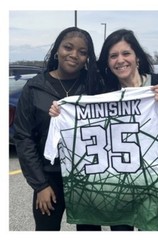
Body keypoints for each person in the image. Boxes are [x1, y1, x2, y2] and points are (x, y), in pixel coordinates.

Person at [47, 29, 158, 231]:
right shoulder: (104, 95)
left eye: (126, 53)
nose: (120, 60)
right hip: (118, 191)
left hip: (153, 188)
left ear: (137, 57)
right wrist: (61, 114)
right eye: (113, 56)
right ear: (107, 62)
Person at [15, 26, 102, 231]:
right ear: (57, 50)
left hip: (87, 178)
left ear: (87, 57)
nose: (74, 55)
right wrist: (40, 185)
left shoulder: (95, 86)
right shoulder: (35, 87)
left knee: (90, 231)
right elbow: (24, 137)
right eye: (68, 48)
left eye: (82, 52)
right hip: (49, 177)